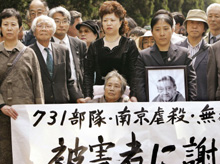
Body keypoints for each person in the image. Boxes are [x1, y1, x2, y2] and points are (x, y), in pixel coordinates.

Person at [0, 8, 44, 163]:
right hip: (1, 115)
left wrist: (40, 114)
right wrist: (2, 105)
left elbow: (37, 86)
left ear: (20, 28)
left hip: (25, 116)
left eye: (13, 24)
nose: (9, 28)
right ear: (0, 27)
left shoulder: (29, 53)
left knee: (26, 156)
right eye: (5, 24)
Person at [135, 9, 197, 102]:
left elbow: (191, 83)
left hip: (180, 111)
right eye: (157, 29)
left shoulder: (183, 54)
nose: (162, 33)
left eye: (165, 29)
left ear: (172, 30)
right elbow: (139, 85)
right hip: (152, 111)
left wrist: (189, 107)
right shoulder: (143, 56)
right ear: (152, 32)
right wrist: (147, 107)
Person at [83, 1, 139, 102]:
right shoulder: (94, 46)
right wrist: (88, 95)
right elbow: (88, 73)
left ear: (120, 22)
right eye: (105, 20)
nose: (108, 23)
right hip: (100, 95)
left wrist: (133, 95)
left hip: (124, 95)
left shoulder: (129, 44)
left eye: (112, 20)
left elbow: (134, 72)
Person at [30, 15, 83, 103]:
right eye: (39, 26)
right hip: (39, 105)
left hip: (61, 104)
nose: (44, 29)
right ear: (34, 32)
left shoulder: (63, 50)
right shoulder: (28, 52)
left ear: (53, 32)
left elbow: (69, 79)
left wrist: (78, 97)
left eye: (47, 26)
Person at [49, 6, 87, 95]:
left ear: (69, 23)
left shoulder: (80, 44)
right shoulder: (46, 44)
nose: (61, 25)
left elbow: (85, 72)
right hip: (56, 96)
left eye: (65, 21)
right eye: (57, 21)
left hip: (79, 94)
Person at [176, 9, 209, 101]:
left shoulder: (211, 50)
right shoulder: (175, 48)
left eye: (199, 23)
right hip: (181, 102)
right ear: (186, 26)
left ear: (204, 28)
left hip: (204, 102)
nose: (194, 26)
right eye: (191, 23)